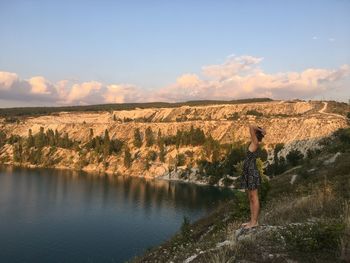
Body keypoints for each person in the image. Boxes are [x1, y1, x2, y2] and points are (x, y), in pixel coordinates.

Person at [240, 124, 266, 230]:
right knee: (251, 197)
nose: (251, 134)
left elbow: (251, 126)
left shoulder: (255, 143)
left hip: (252, 172)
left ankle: (254, 222)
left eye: (253, 133)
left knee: (254, 197)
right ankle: (252, 220)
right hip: (249, 172)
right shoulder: (253, 143)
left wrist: (261, 130)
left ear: (255, 134)